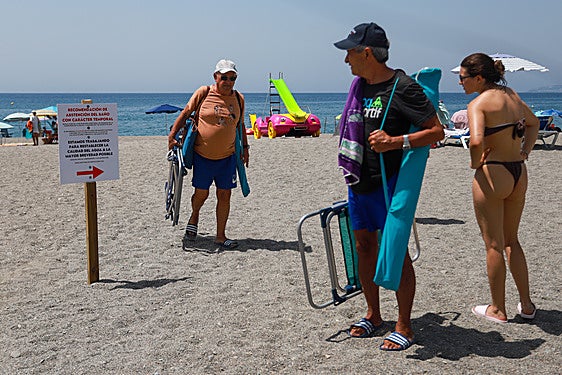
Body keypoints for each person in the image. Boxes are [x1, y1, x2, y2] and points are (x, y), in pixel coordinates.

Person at [334, 23, 444, 351]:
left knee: (396, 253)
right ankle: (374, 315)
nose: (346, 61)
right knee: (364, 247)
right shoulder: (360, 87)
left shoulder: (403, 87)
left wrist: (395, 141)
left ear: (367, 53)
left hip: (390, 186)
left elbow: (436, 131)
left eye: (350, 52)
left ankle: (405, 325)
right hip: (359, 183)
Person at [458, 53, 539, 323]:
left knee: (493, 245)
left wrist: (474, 164)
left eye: (463, 78)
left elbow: (475, 141)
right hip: (518, 171)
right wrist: (525, 150)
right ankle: (526, 305)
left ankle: (498, 309)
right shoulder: (512, 95)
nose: (460, 83)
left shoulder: (478, 103)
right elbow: (534, 122)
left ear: (478, 78)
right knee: (511, 240)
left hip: (493, 172)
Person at [168, 59, 249, 249]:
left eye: (232, 78)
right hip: (203, 156)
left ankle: (220, 236)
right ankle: (194, 216)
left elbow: (241, 126)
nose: (228, 81)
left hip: (228, 157)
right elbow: (186, 113)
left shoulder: (239, 99)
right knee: (201, 194)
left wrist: (245, 148)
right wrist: (172, 136)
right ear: (216, 77)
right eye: (224, 77)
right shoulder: (203, 93)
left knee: (225, 195)